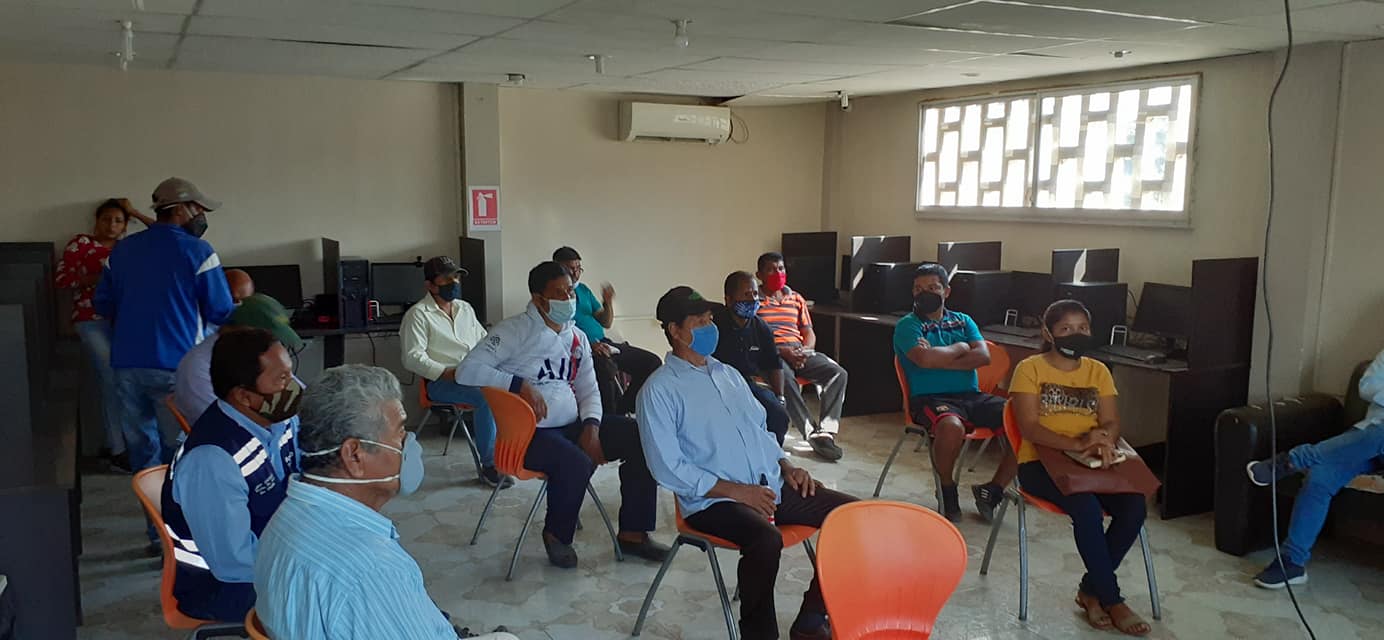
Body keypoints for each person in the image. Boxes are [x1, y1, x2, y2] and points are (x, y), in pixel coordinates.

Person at [638, 286, 856, 640]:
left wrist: (787, 467)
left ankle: (811, 619)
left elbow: (760, 431)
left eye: (710, 319)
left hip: (769, 485)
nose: (710, 327)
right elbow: (667, 466)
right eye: (699, 322)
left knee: (852, 517)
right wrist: (738, 492)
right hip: (713, 501)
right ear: (675, 331)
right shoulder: (660, 390)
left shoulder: (727, 374)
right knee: (765, 540)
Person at [255, 365, 517, 640]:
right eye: (400, 433)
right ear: (354, 456)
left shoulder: (285, 515)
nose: (409, 444)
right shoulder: (371, 571)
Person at [456, 261, 667, 568]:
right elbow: (466, 370)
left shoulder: (576, 336)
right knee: (575, 461)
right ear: (538, 299)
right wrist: (518, 384)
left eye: (570, 291)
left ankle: (634, 534)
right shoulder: (514, 330)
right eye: (559, 293)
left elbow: (588, 389)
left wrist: (592, 427)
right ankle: (557, 535)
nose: (568, 299)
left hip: (572, 424)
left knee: (640, 437)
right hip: (528, 435)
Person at [1009, 299, 1150, 637]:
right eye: (1066, 329)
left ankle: (1090, 590)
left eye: (1082, 328)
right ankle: (1113, 599)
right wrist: (1078, 444)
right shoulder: (1029, 368)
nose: (1076, 334)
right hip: (1040, 463)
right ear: (1048, 333)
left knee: (1134, 506)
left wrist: (1104, 439)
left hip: (1090, 461)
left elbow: (1111, 421)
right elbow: (1029, 427)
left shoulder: (1097, 370)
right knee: (1085, 508)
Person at [95, 177, 236, 479]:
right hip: (177, 365)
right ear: (181, 209)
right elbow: (221, 309)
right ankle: (177, 508)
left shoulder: (121, 251)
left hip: (127, 364)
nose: (202, 216)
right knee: (180, 450)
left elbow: (103, 304)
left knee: (142, 451)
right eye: (199, 209)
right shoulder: (199, 251)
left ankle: (152, 510)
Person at [160, 328, 302, 623]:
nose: (295, 386)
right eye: (282, 379)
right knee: (338, 597)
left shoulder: (279, 421)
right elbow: (233, 563)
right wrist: (309, 565)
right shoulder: (212, 460)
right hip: (223, 587)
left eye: (291, 374)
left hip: (273, 550)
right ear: (243, 396)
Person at [1245, 347, 1384, 589]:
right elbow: (1367, 386)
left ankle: (1294, 459)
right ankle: (1292, 562)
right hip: (1366, 439)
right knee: (1319, 477)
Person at [892, 263, 1017, 523]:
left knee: (1022, 420)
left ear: (946, 291)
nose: (924, 293)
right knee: (951, 427)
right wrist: (961, 347)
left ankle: (993, 490)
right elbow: (924, 360)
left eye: (932, 287)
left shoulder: (963, 320)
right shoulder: (908, 325)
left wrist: (939, 358)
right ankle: (947, 488)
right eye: (918, 289)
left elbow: (983, 357)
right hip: (930, 399)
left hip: (971, 395)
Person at [55, 198, 152, 471]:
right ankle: (117, 448)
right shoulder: (81, 244)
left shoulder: (129, 248)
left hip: (127, 322)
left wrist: (135, 212)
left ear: (125, 226)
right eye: (106, 219)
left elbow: (168, 234)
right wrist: (100, 278)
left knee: (131, 381)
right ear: (96, 221)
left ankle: (131, 446)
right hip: (90, 319)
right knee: (111, 377)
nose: (111, 225)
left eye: (118, 220)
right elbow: (62, 280)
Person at [399, 256, 510, 488]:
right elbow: (412, 357)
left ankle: (511, 455)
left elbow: (484, 341)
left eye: (456, 277)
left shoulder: (465, 308)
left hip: (474, 373)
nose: (454, 283)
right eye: (446, 279)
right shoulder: (418, 314)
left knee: (511, 386)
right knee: (486, 398)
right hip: (440, 382)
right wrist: (446, 372)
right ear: (430, 285)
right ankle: (490, 465)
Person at [756, 252, 847, 461]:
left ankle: (826, 432)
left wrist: (806, 350)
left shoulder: (796, 298)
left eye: (781, 268)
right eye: (771, 270)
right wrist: (784, 352)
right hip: (772, 353)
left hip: (798, 350)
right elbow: (755, 338)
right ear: (759, 275)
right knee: (785, 380)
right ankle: (811, 433)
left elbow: (808, 332)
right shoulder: (755, 300)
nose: (777, 273)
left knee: (837, 373)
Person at [552, 246, 661, 415]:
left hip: (604, 344)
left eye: (578, 268)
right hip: (581, 350)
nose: (575, 273)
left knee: (651, 363)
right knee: (605, 368)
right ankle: (608, 417)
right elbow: (558, 331)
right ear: (558, 268)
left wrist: (607, 302)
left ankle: (623, 409)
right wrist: (589, 346)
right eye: (570, 268)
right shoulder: (553, 296)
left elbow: (606, 322)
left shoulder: (584, 290)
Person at [174, 293, 304, 424]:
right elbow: (226, 423)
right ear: (237, 330)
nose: (269, 343)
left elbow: (298, 396)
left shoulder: (260, 354)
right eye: (261, 336)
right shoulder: (198, 367)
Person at [712, 271, 790, 445]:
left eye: (755, 294)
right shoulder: (714, 326)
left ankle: (773, 455)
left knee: (778, 415)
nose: (753, 299)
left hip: (748, 384)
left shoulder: (761, 327)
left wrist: (780, 397)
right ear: (729, 300)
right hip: (717, 385)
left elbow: (774, 364)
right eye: (746, 294)